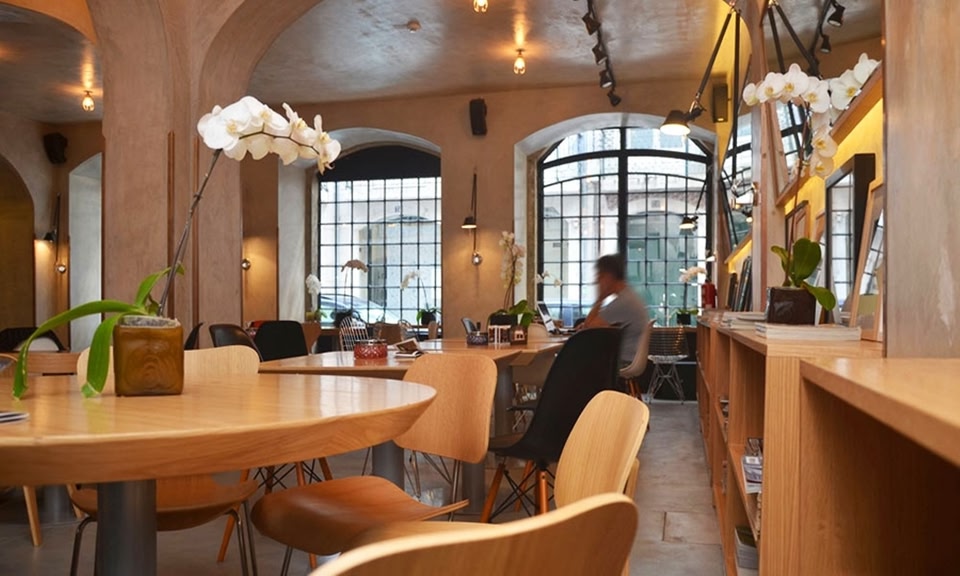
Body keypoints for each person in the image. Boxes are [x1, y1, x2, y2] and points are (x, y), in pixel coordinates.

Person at [580, 254, 649, 365]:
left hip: (622, 362)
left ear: (608, 276)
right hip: (629, 359)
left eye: (599, 276)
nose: (597, 281)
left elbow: (587, 329)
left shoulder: (622, 303)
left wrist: (600, 298)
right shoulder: (628, 296)